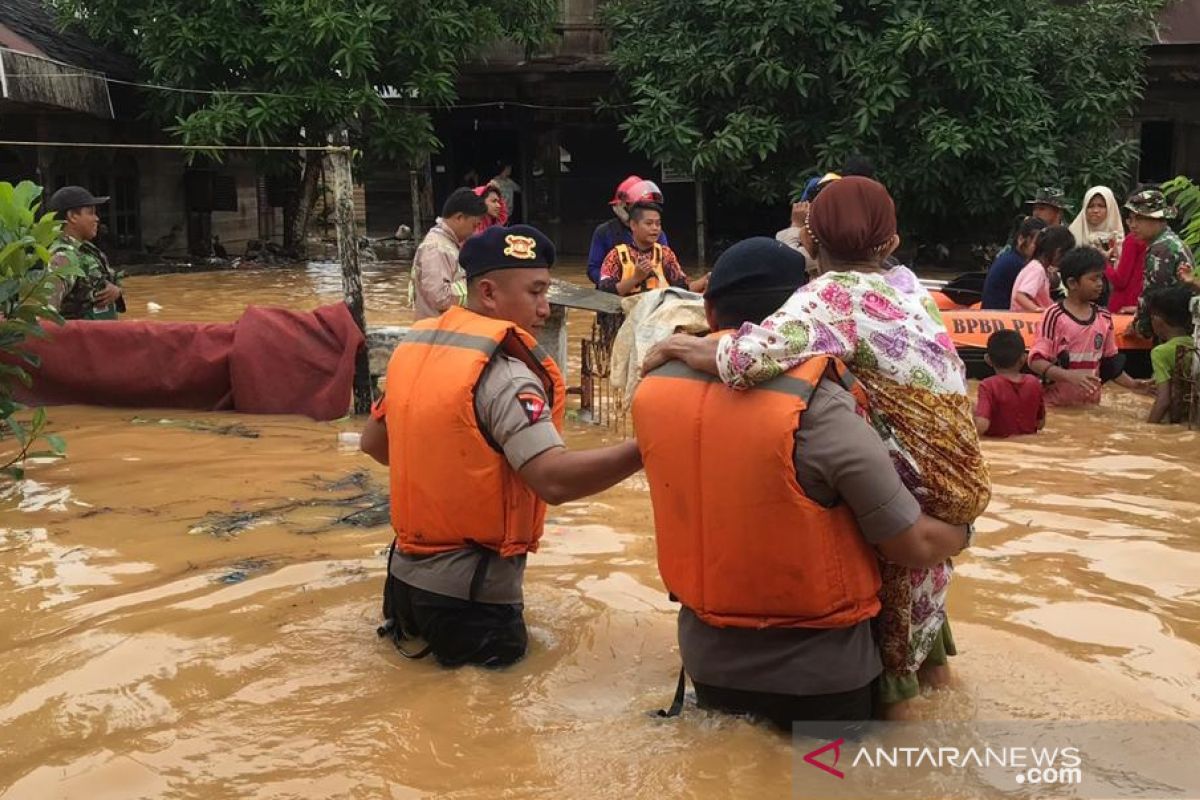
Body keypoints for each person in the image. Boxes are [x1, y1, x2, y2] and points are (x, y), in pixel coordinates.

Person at [642, 177, 988, 718]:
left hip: (911, 507)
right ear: (892, 243)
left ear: (810, 242)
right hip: (959, 481)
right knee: (930, 640)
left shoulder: (825, 303)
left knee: (896, 647)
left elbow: (746, 359)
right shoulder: (911, 288)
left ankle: (902, 722)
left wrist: (679, 345)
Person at [361, 225, 643, 668]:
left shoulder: (412, 350)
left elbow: (375, 444)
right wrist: (646, 449)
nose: (546, 307)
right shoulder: (507, 376)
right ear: (488, 293)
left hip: (403, 585)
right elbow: (554, 481)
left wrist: (454, 465)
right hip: (470, 600)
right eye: (535, 292)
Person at [1028, 247, 1151, 406]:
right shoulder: (1054, 316)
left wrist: (1134, 385)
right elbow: (1036, 362)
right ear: (1072, 283)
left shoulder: (1104, 317)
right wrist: (1068, 376)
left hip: (1090, 405)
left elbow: (1110, 364)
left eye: (1101, 278)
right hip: (1055, 406)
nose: (1100, 284)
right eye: (1093, 279)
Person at [1126, 188, 1197, 339]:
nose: (1133, 225)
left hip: (1172, 332)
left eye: (1139, 218)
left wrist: (1138, 327)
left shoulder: (1161, 249)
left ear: (1158, 219)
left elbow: (1155, 298)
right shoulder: (1171, 242)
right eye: (1131, 219)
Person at [46, 185, 125, 320]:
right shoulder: (64, 255)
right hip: (81, 338)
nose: (96, 219)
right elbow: (48, 307)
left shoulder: (88, 250)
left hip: (101, 335)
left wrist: (116, 291)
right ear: (72, 216)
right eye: (90, 212)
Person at [597, 203, 708, 296]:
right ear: (633, 225)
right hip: (627, 318)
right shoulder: (616, 255)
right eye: (649, 223)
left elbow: (682, 288)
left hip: (659, 317)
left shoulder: (666, 254)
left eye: (658, 224)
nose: (655, 228)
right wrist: (635, 278)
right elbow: (605, 292)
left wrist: (705, 280)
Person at [410, 188, 486, 321]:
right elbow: (440, 298)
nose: (474, 232)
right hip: (436, 334)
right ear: (460, 218)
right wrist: (474, 287)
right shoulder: (436, 248)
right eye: (474, 225)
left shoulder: (446, 244)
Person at [586, 176, 670, 286]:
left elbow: (668, 268)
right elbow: (593, 269)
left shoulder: (657, 234)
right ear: (621, 206)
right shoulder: (604, 232)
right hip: (613, 293)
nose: (654, 228)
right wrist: (614, 284)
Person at [974, 330, 1045, 437]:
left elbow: (982, 425)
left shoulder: (988, 385)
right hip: (1029, 444)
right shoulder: (1034, 383)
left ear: (988, 359)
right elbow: (1040, 423)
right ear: (1024, 358)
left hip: (999, 446)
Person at [1145, 285, 1198, 424]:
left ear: (1158, 320)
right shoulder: (1195, 344)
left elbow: (1163, 401)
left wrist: (1148, 429)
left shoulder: (1160, 352)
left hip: (1175, 420)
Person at [982, 216, 1046, 309]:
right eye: (1037, 244)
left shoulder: (1010, 257)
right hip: (1001, 317)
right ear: (1021, 239)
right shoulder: (1017, 265)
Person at [1010, 225, 1075, 312]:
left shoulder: (1039, 268)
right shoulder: (1037, 269)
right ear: (1058, 252)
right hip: (1028, 320)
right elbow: (1020, 296)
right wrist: (1038, 310)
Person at [1068, 186, 1124, 267]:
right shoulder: (1073, 234)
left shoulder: (1119, 239)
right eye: (1090, 206)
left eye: (1101, 206)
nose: (1095, 210)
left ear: (1110, 208)